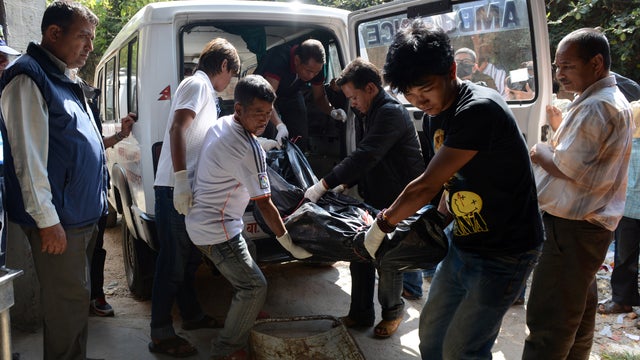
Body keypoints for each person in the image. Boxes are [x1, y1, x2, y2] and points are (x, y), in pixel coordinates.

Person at [368, 20, 543, 359]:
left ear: (450, 70)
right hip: (463, 244)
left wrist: (383, 225)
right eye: (410, 95)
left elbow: (426, 185)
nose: (420, 101)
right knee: (432, 340)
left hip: (505, 252)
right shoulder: (435, 115)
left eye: (425, 90)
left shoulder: (479, 109)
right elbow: (450, 182)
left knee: (463, 351)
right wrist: (434, 222)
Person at [0, 2, 105, 358]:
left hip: (80, 217)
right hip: (61, 223)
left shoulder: (64, 78)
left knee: (74, 306)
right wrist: (48, 222)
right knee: (66, 311)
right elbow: (27, 161)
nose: (90, 47)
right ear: (53, 33)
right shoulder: (29, 77)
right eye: (83, 37)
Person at [523, 28, 634, 359]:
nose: (559, 75)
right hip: (587, 228)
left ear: (596, 63)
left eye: (566, 66)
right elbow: (585, 160)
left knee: (549, 323)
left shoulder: (597, 106)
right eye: (557, 67)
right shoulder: (604, 101)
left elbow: (566, 167)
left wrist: (540, 150)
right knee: (577, 316)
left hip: (572, 230)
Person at [186, 75, 311, 360]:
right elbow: (265, 204)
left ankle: (246, 311)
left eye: (268, 114)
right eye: (257, 114)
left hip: (204, 219)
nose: (264, 120)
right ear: (239, 109)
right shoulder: (248, 148)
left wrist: (264, 142)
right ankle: (226, 349)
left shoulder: (222, 124)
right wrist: (288, 243)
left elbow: (237, 154)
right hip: (216, 230)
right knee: (255, 286)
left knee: (250, 250)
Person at [304, 58, 425, 337]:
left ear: (371, 88)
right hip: (374, 193)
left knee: (387, 258)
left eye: (354, 97)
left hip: (398, 197)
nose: (352, 103)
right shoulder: (364, 111)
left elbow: (368, 153)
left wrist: (324, 183)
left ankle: (393, 312)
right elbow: (363, 160)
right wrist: (345, 183)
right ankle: (360, 313)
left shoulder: (390, 112)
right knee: (359, 250)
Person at [149, 38, 240, 357]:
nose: (229, 83)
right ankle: (160, 333)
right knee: (172, 263)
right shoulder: (197, 84)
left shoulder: (204, 91)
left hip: (187, 187)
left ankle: (192, 316)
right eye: (232, 75)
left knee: (188, 260)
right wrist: (180, 181)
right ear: (225, 65)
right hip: (175, 188)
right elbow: (176, 130)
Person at [79, 79, 135, 317]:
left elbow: (98, 144)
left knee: (97, 247)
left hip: (96, 192)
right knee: (77, 252)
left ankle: (95, 295)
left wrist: (122, 134)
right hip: (76, 194)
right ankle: (79, 300)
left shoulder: (87, 105)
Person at [254, 39, 346, 151]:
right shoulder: (279, 58)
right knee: (270, 130)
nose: (312, 76)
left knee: (300, 133)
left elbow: (320, 96)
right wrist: (280, 125)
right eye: (308, 71)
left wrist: (332, 111)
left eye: (316, 73)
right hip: (261, 96)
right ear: (297, 60)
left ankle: (296, 161)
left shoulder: (315, 66)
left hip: (291, 92)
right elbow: (267, 99)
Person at [597, 100, 640, 316]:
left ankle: (623, 300)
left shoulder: (625, 146)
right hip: (628, 210)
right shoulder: (627, 146)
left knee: (625, 258)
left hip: (628, 211)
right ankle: (623, 300)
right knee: (624, 258)